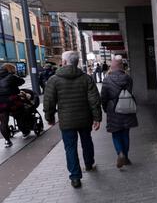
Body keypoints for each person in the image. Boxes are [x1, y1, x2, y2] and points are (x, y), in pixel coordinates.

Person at [44, 51, 102, 189]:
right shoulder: (86, 78)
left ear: (64, 62)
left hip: (67, 120)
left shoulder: (54, 80)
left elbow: (49, 102)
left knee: (70, 147)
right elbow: (94, 100)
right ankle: (89, 164)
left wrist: (50, 118)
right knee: (86, 141)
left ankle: (75, 177)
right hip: (84, 119)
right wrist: (97, 118)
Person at [101, 56, 138, 169]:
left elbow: (103, 97)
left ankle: (120, 153)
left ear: (112, 67)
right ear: (121, 66)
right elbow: (129, 91)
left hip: (113, 109)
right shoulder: (128, 78)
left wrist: (105, 108)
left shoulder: (107, 80)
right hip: (126, 107)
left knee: (116, 134)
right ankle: (126, 157)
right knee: (125, 134)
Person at [0, 63, 29, 148]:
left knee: (3, 122)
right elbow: (22, 82)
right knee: (19, 116)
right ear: (10, 69)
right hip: (12, 100)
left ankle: (7, 141)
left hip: (1, 102)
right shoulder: (11, 76)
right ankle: (24, 132)